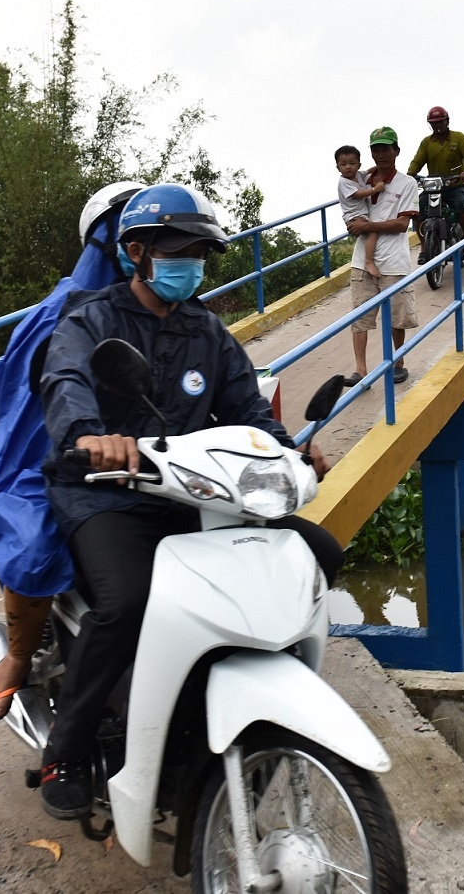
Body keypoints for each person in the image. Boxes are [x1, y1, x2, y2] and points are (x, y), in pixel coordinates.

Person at [33, 183, 344, 820]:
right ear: (137, 252)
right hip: (107, 494)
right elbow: (65, 378)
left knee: (318, 551)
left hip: (192, 492)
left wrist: (290, 451)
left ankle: (228, 695)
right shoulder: (92, 319)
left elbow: (247, 407)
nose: (192, 263)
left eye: (200, 252)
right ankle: (64, 752)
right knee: (126, 601)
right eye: (179, 250)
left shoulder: (206, 330)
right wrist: (90, 437)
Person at [0, 180, 144, 722]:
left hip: (142, 461)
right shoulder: (62, 314)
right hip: (49, 455)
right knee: (34, 536)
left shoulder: (168, 310)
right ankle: (20, 656)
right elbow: (21, 407)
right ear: (110, 240)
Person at [346, 126, 420, 383]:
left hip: (393, 261)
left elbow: (402, 225)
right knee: (360, 317)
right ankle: (360, 370)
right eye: (376, 150)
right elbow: (348, 206)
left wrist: (366, 226)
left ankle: (398, 362)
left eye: (385, 149)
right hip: (361, 261)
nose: (380, 154)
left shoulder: (407, 183)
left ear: (396, 151)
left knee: (396, 317)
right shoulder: (360, 180)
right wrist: (353, 224)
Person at [406, 105, 464, 262]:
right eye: (434, 123)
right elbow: (417, 161)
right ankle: (424, 246)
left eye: (440, 122)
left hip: (455, 184)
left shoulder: (459, 138)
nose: (437, 125)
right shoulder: (426, 142)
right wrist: (409, 175)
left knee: (462, 204)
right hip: (434, 186)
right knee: (417, 209)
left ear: (447, 121)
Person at [336, 143, 384, 280]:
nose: (348, 167)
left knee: (370, 232)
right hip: (353, 216)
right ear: (338, 167)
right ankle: (368, 262)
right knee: (373, 232)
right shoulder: (344, 182)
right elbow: (357, 194)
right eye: (343, 164)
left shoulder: (358, 175)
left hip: (361, 214)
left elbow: (368, 171)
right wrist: (375, 189)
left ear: (358, 165)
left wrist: (380, 166)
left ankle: (369, 260)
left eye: (352, 163)